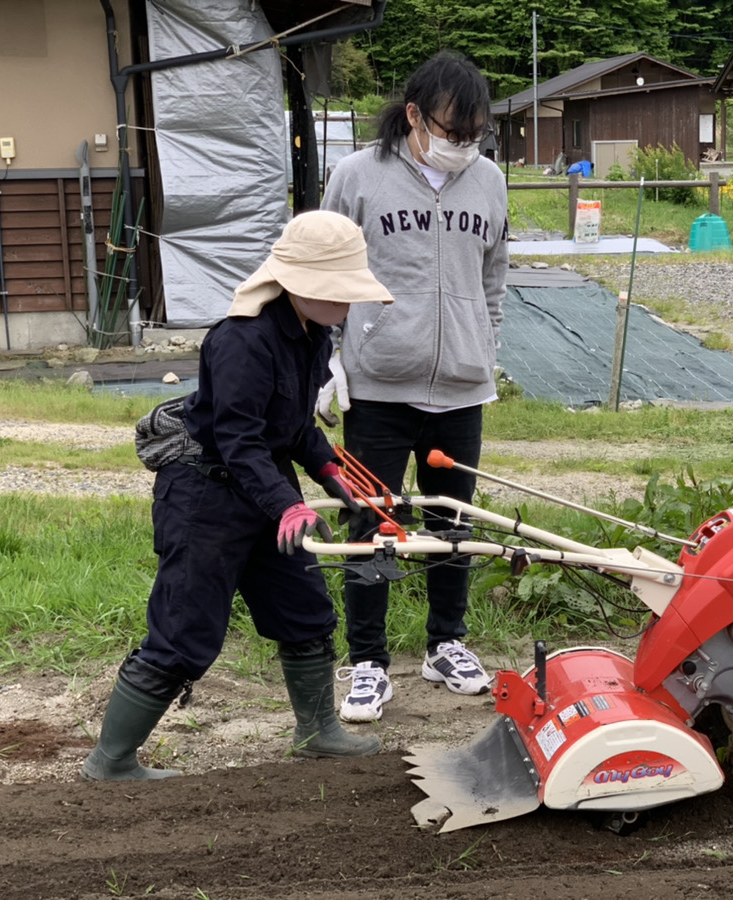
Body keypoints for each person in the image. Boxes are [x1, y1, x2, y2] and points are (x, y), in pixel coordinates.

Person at [81, 211, 394, 781]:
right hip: (205, 492)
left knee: (305, 611)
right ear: (300, 283)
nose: (349, 305)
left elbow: (293, 423)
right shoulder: (241, 340)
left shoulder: (312, 333)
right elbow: (236, 436)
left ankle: (318, 730)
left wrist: (326, 468)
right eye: (340, 292)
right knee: (185, 628)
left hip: (263, 487)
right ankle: (111, 761)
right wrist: (287, 504)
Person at [319, 51, 509, 723]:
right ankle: (367, 662)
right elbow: (324, 271)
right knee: (373, 522)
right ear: (414, 117)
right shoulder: (356, 177)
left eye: (475, 134)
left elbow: (493, 278)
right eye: (453, 131)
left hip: (460, 387)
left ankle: (446, 643)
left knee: (452, 525)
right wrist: (328, 360)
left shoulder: (488, 182)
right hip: (378, 386)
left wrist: (486, 347)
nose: (464, 146)